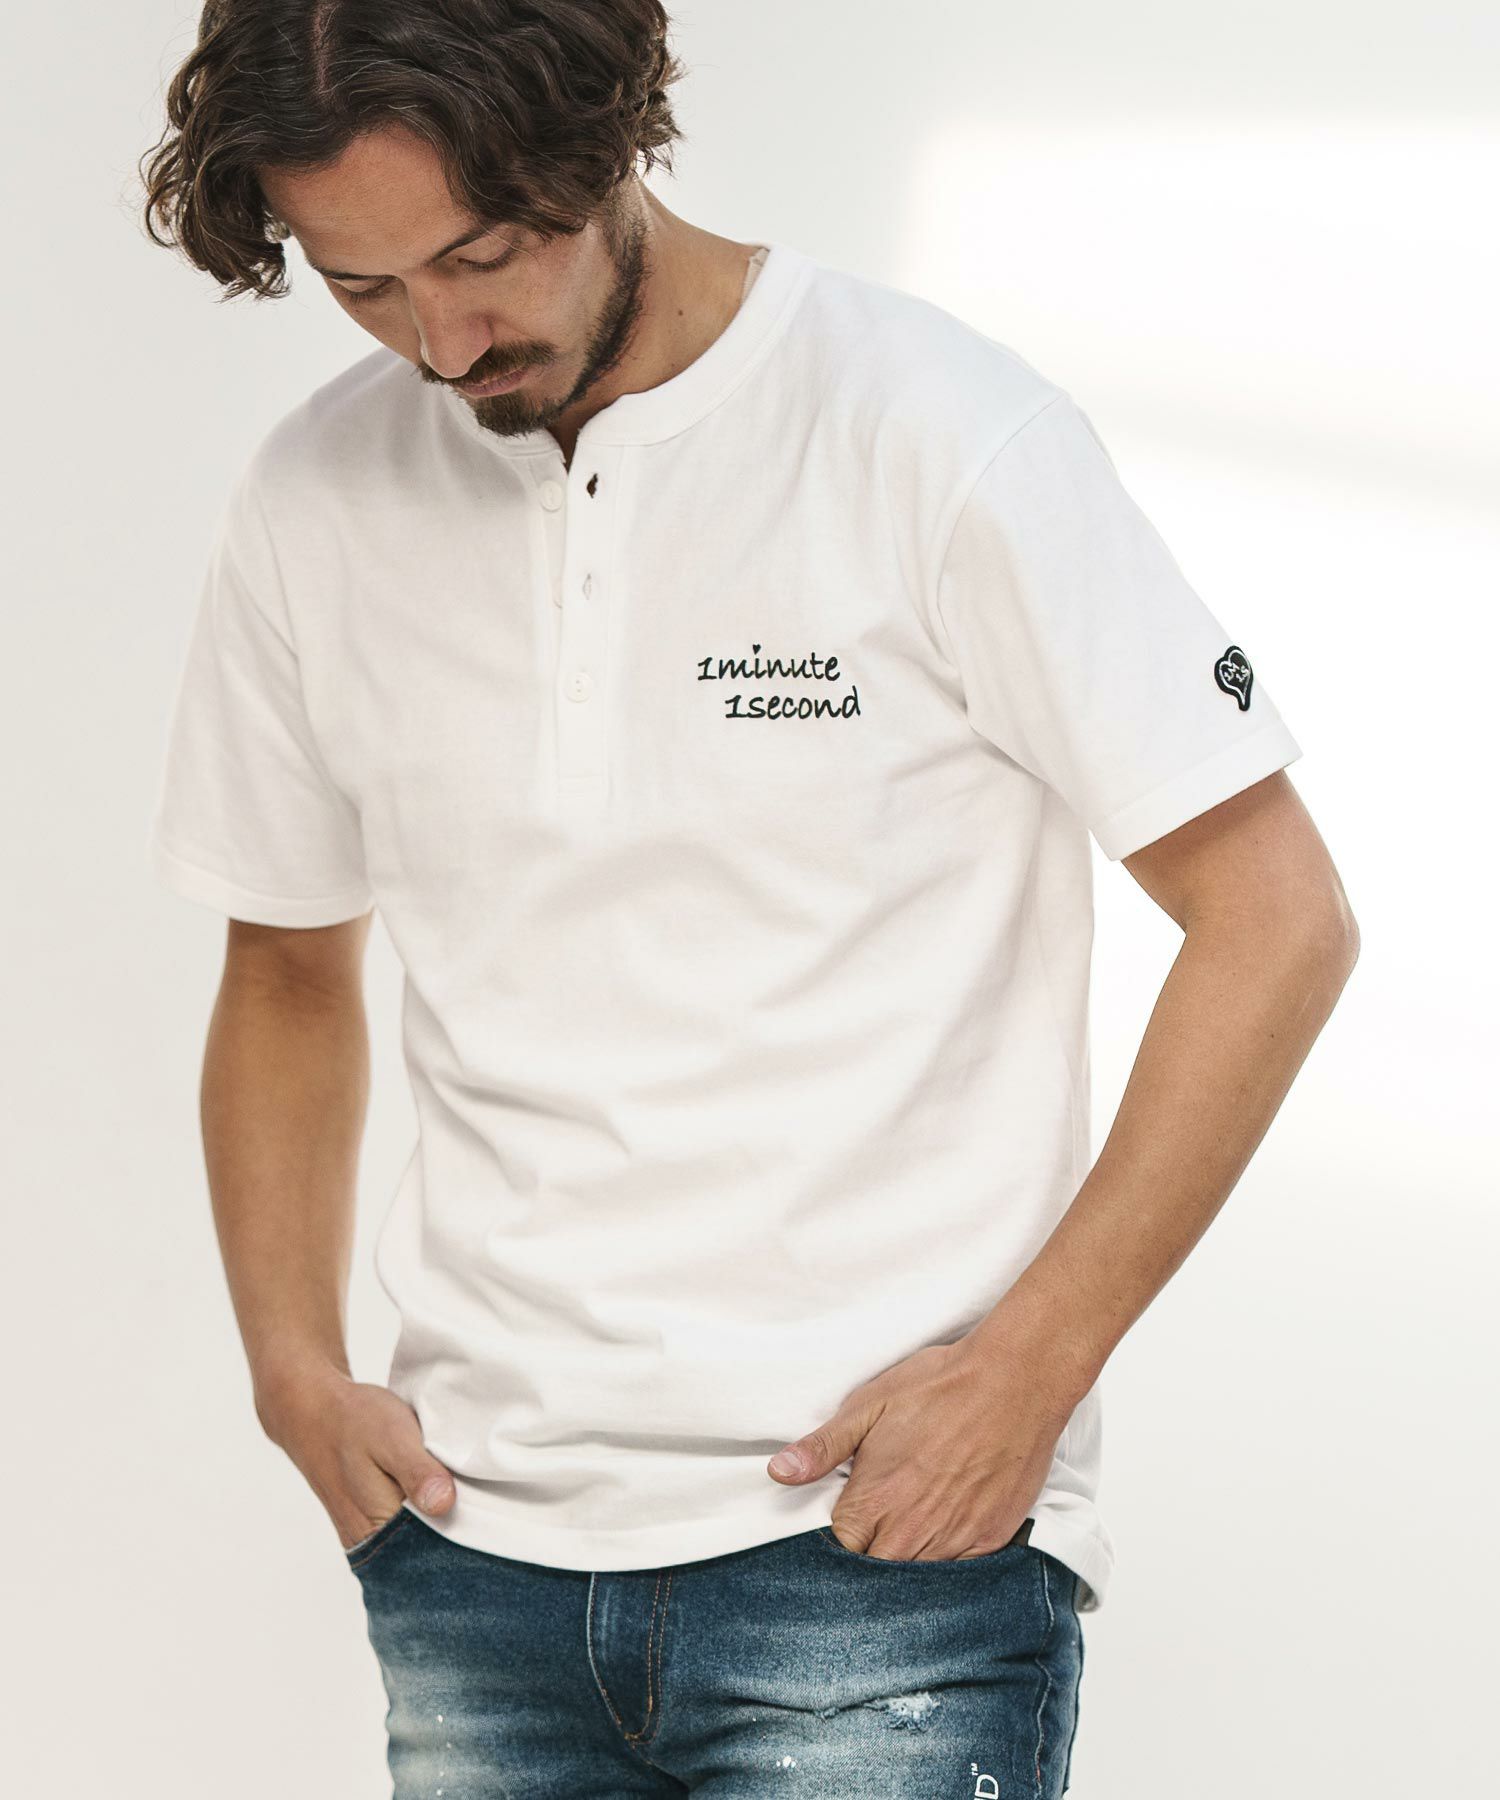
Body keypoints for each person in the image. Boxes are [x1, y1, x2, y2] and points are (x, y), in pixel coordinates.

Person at [139, 3, 1359, 1794]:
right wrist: (290, 1371)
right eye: (363, 285)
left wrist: (1031, 1369)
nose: (443, 342)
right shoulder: (316, 497)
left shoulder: (933, 429)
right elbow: (287, 969)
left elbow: (1279, 918)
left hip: (880, 1552)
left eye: (481, 257)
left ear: (603, 143)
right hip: (474, 1561)